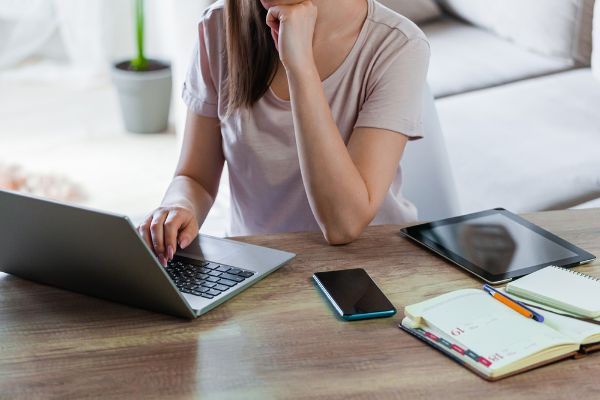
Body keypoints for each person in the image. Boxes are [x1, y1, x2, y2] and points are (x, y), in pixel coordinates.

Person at [138, 0, 430, 266]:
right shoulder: (220, 25)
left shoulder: (398, 45)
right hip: (257, 265)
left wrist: (300, 66)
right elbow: (195, 178)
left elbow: (344, 225)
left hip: (371, 265)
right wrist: (178, 206)